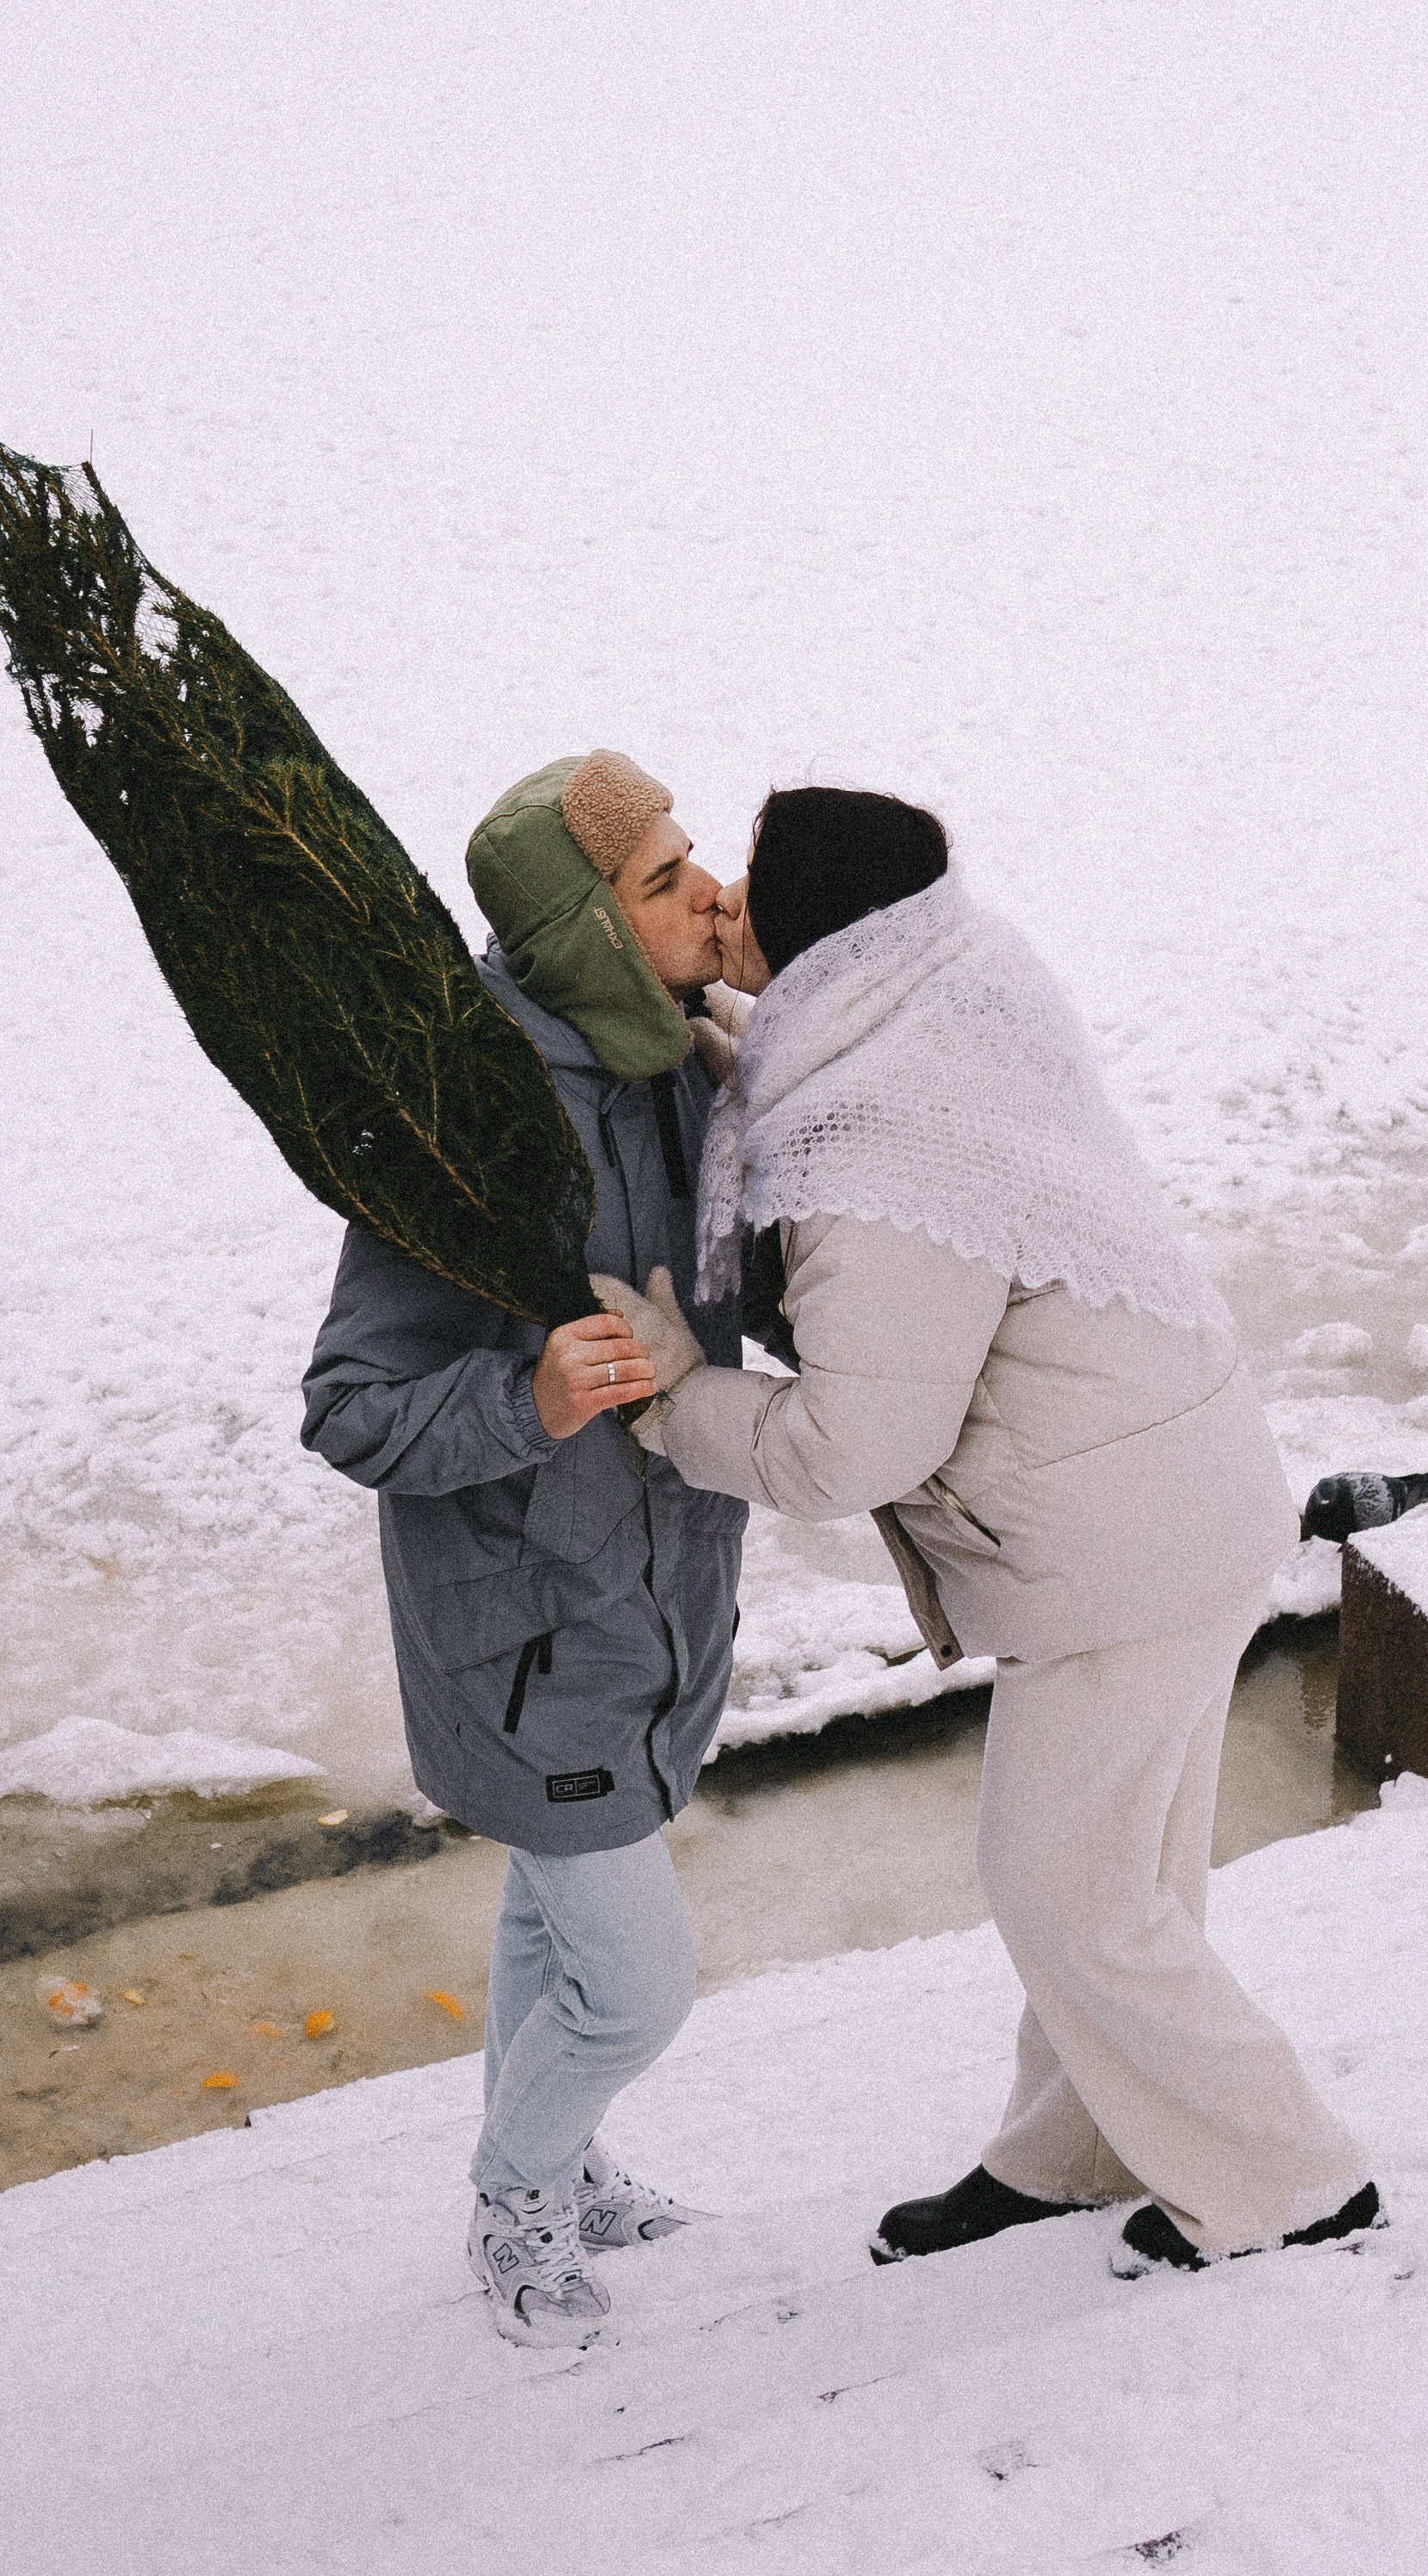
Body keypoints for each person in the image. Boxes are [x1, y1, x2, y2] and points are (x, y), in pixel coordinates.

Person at [616, 787, 1380, 2278]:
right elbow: (807, 1072)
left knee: (1065, 1890)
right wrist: (715, 1024)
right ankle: (1079, 2150)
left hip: (1120, 1545)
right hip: (1168, 1478)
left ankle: (1292, 2184)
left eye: (749, 896)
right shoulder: (946, 977)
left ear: (831, 941)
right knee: (1119, 1880)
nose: (721, 908)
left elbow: (851, 1445)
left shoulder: (880, 1157)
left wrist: (673, 1394)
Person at [301, 749, 747, 2345]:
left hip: (655, 1596)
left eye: (695, 855)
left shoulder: (677, 1060)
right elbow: (350, 1404)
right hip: (529, 1632)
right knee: (633, 1987)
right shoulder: (467, 1122)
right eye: (661, 879)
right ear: (579, 934)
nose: (708, 889)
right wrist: (526, 1393)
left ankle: (560, 2162)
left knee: (543, 1920)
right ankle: (520, 2189)